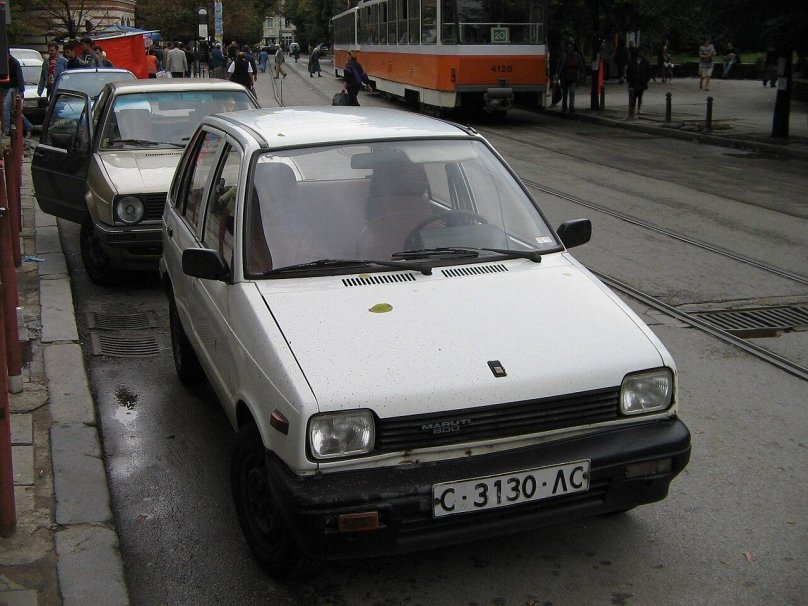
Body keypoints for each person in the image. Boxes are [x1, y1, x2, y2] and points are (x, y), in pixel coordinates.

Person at [2, 52, 33, 136]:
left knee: (6, 107)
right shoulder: (4, 62)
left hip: (13, 87)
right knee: (13, 110)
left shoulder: (14, 62)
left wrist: (21, 91)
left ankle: (6, 131)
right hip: (6, 87)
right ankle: (28, 126)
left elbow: (20, 77)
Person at [555, 42, 585, 113]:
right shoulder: (563, 55)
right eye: (568, 47)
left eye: (571, 47)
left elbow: (580, 64)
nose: (569, 49)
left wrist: (582, 72)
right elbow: (559, 65)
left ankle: (571, 106)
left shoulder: (576, 55)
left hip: (573, 75)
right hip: (565, 76)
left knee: (572, 91)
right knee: (565, 93)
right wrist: (557, 74)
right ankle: (564, 107)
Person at [626, 46, 651, 119]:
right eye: (640, 51)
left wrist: (646, 79)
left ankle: (639, 108)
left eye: (642, 52)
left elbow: (648, 71)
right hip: (633, 81)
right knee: (633, 96)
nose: (641, 53)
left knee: (640, 95)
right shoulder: (632, 61)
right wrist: (629, 78)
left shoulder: (645, 61)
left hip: (642, 81)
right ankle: (632, 108)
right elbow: (628, 70)